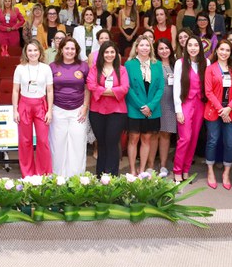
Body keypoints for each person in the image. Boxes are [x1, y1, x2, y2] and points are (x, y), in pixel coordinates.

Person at [204, 40, 232, 190]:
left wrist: (229, 108)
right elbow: (208, 92)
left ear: (231, 52)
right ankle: (210, 171)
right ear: (217, 50)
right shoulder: (210, 69)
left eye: (227, 50)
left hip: (231, 112)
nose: (224, 52)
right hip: (214, 111)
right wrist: (222, 109)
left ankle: (226, 172)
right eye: (221, 49)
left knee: (230, 142)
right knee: (212, 141)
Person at [48, 37, 90, 177]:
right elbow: (49, 90)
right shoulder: (53, 66)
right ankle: (57, 177)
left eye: (72, 48)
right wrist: (50, 110)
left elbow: (87, 88)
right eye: (67, 48)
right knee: (57, 144)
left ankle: (77, 177)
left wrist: (85, 107)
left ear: (76, 50)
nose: (70, 51)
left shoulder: (83, 66)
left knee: (78, 144)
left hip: (78, 110)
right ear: (61, 49)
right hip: (57, 109)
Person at [86, 41, 129, 176]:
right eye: (106, 52)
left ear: (116, 54)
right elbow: (91, 86)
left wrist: (102, 90)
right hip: (97, 111)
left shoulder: (122, 69)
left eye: (112, 52)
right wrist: (112, 91)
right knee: (102, 143)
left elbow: (125, 88)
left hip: (117, 112)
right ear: (102, 54)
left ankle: (111, 176)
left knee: (112, 142)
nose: (109, 55)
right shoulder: (94, 69)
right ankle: (100, 175)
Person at [12, 39, 54, 177]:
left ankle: (43, 173)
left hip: (41, 105)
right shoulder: (20, 68)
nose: (33, 53)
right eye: (30, 50)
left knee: (43, 140)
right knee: (25, 141)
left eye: (35, 50)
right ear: (25, 52)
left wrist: (49, 111)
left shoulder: (46, 68)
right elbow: (15, 91)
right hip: (24, 105)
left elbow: (49, 91)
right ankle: (28, 174)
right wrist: (15, 110)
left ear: (40, 52)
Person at [125, 35, 164, 176]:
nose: (144, 48)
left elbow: (160, 88)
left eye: (147, 45)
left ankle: (142, 170)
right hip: (135, 108)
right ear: (136, 47)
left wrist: (151, 106)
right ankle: (132, 170)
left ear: (151, 48)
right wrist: (142, 106)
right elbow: (127, 88)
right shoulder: (129, 64)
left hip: (152, 110)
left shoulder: (157, 64)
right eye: (141, 45)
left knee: (146, 139)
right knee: (133, 139)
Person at [172, 36, 207, 182]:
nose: (193, 48)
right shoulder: (180, 63)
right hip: (185, 103)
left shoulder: (206, 62)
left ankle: (186, 170)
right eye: (190, 45)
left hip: (200, 104)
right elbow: (176, 87)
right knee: (185, 138)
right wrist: (178, 109)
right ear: (186, 47)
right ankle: (177, 171)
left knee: (193, 138)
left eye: (196, 45)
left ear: (200, 47)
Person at [149, 39, 175, 177]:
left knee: (166, 134)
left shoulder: (175, 64)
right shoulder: (153, 64)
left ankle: (163, 165)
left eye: (166, 48)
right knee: (154, 134)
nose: (164, 51)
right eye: (161, 48)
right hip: (156, 103)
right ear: (156, 51)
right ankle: (150, 164)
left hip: (170, 104)